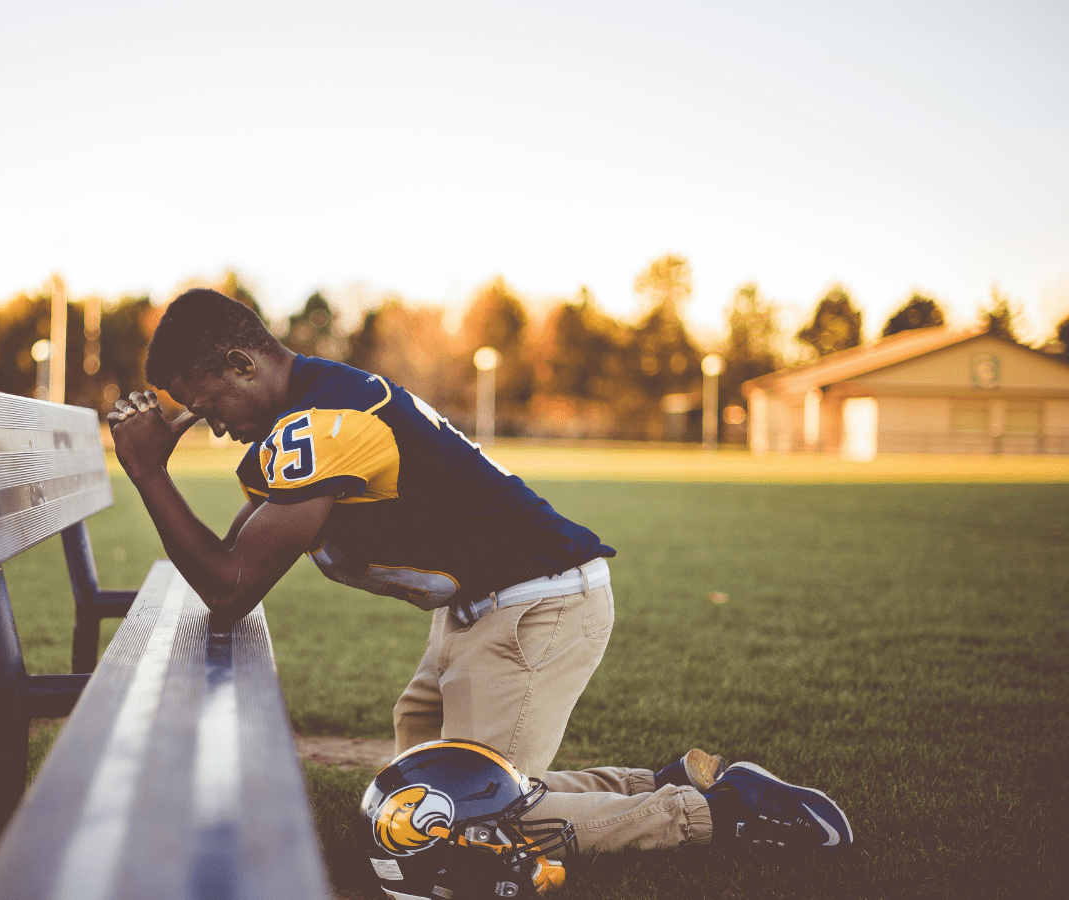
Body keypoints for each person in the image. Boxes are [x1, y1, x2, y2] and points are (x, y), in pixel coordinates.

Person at [106, 288, 852, 869]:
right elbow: (232, 565)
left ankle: (721, 814)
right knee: (421, 799)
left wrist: (146, 473)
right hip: (484, 609)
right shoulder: (309, 410)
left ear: (243, 362)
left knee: (469, 824)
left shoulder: (321, 421)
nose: (213, 424)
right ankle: (670, 781)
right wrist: (156, 474)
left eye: (210, 405)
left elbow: (231, 586)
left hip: (535, 606)